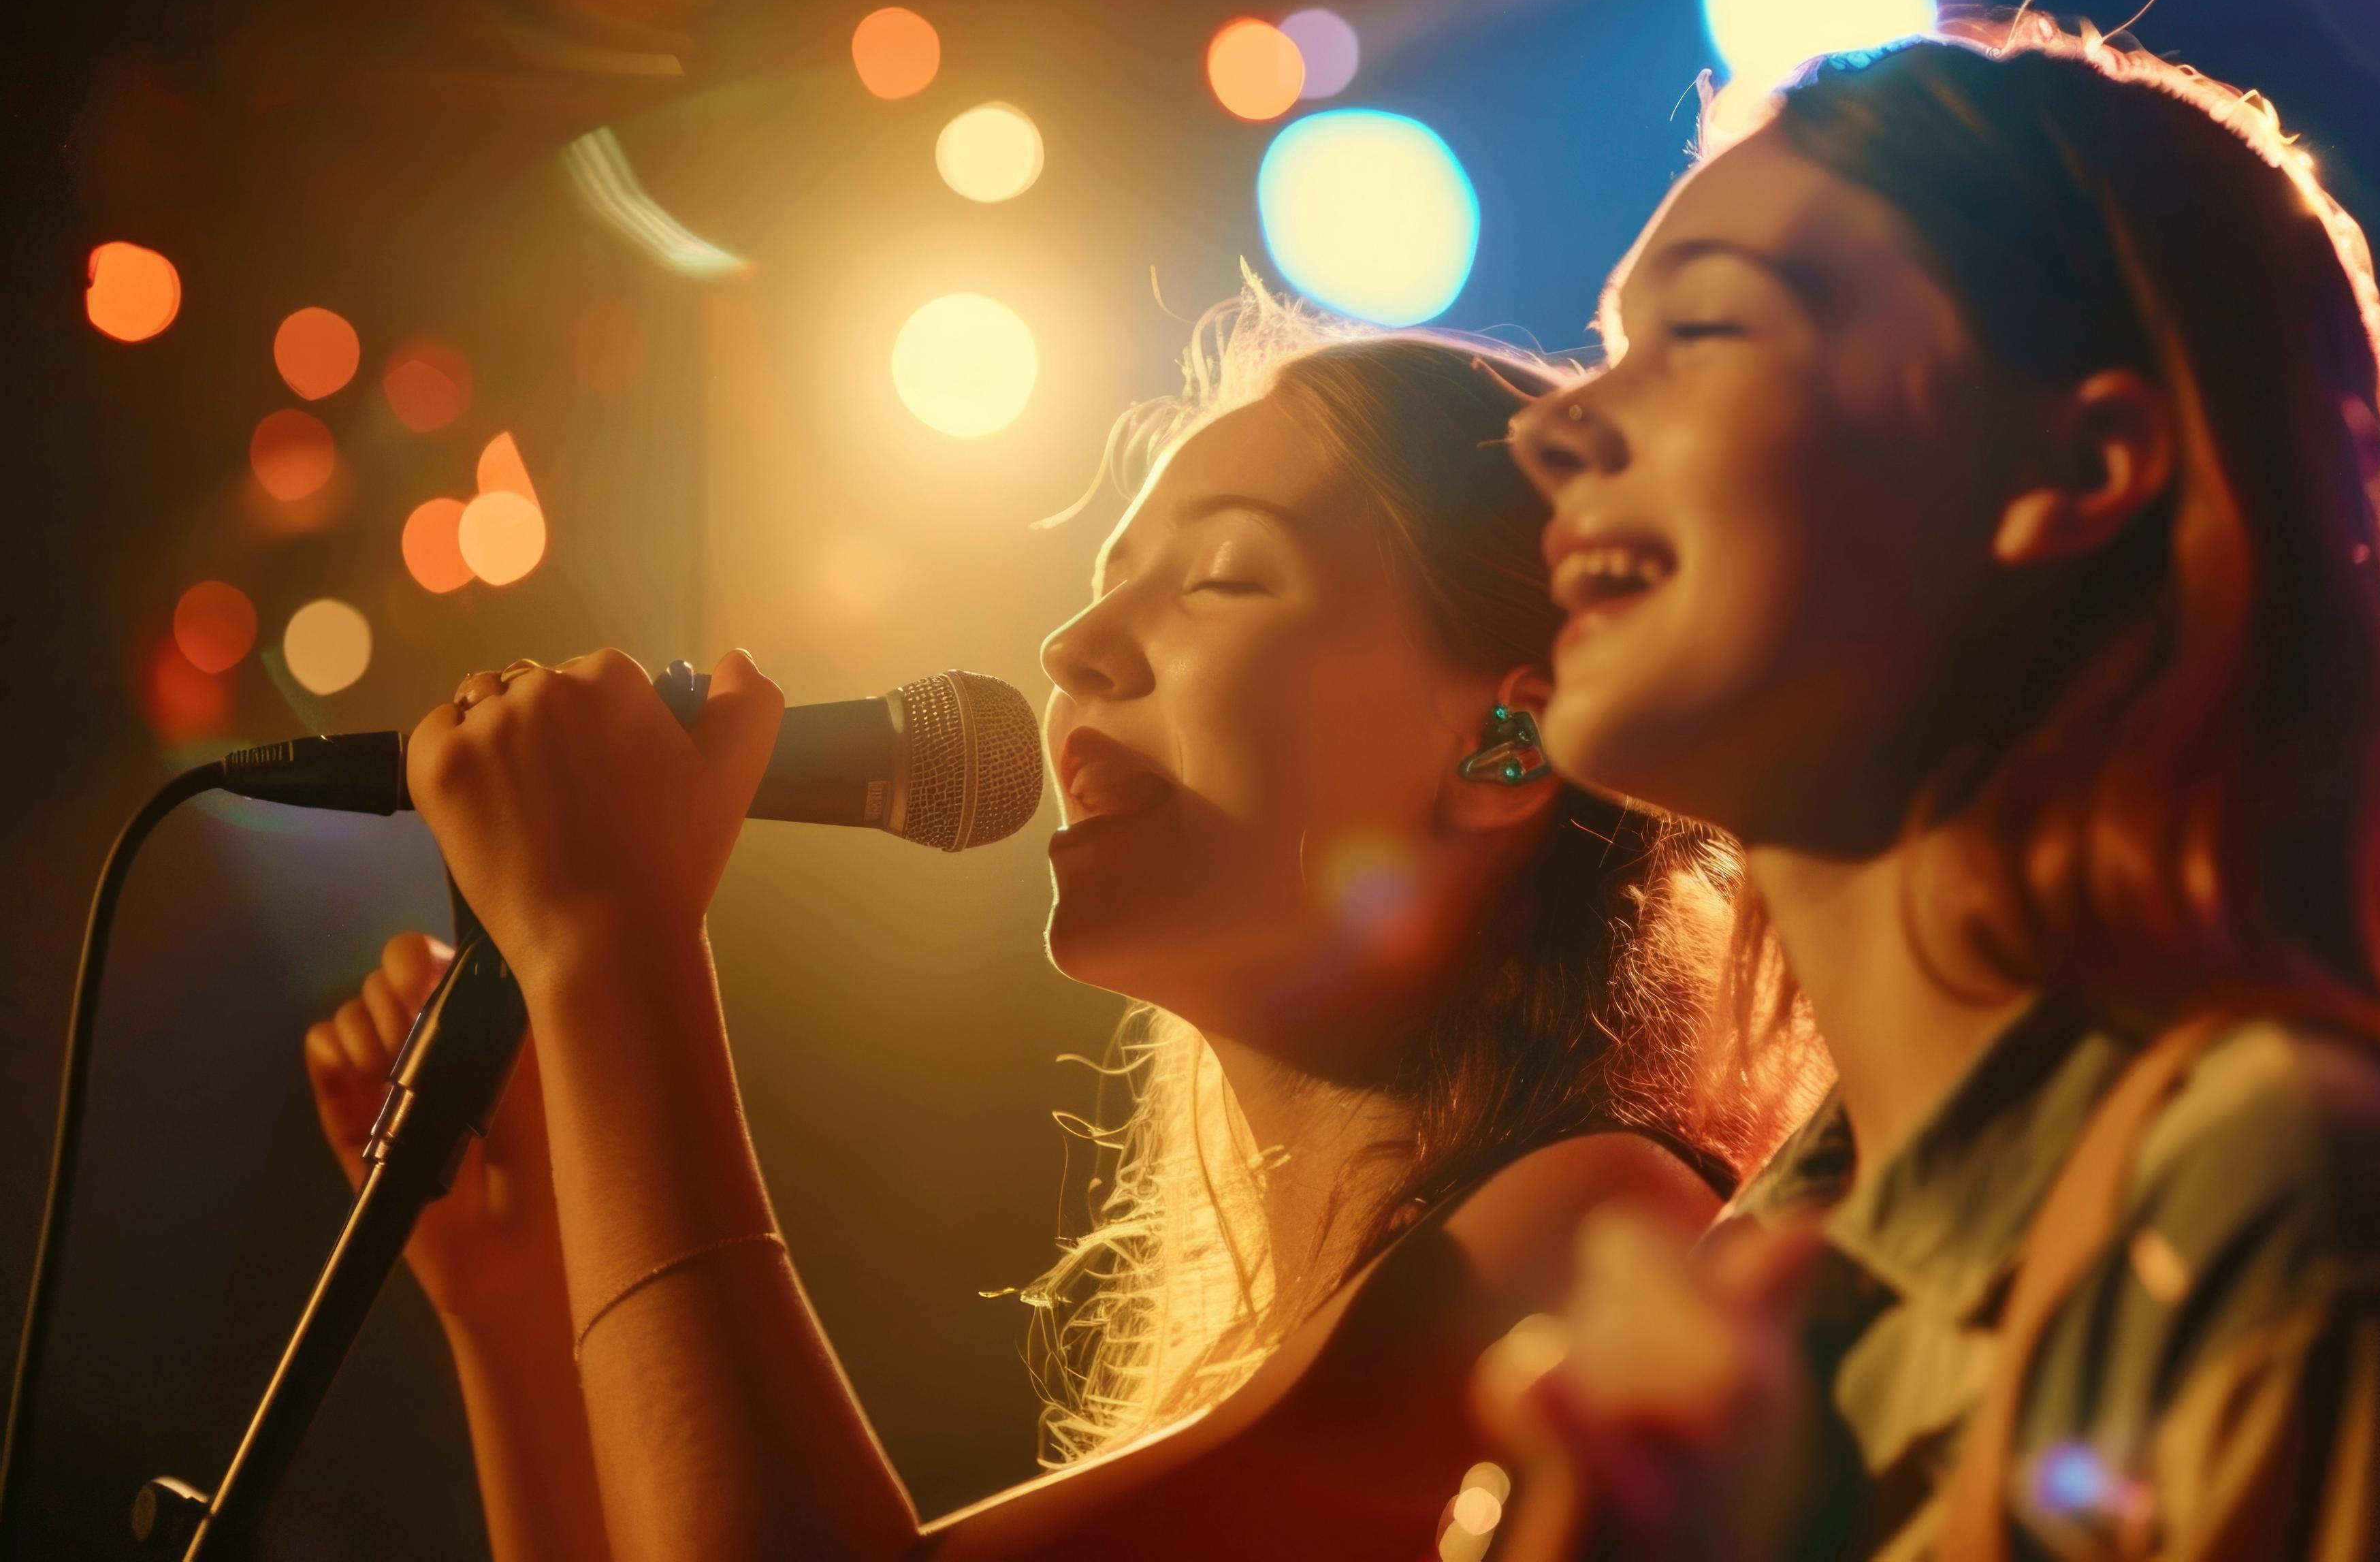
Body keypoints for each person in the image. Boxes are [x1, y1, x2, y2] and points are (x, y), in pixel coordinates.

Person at [303, 289, 1780, 1559]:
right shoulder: (1343, 1326)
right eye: (1094, 594)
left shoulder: (1604, 1233)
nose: (1070, 651)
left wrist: (609, 949)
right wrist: (517, 1299)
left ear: (1507, 742)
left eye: (1220, 575)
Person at [1476, 12, 2380, 1561]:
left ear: (2081, 472)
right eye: (1612, 348)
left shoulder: (2261, 1183)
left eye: (1708, 331)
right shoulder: (1769, 1263)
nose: (1557, 425)